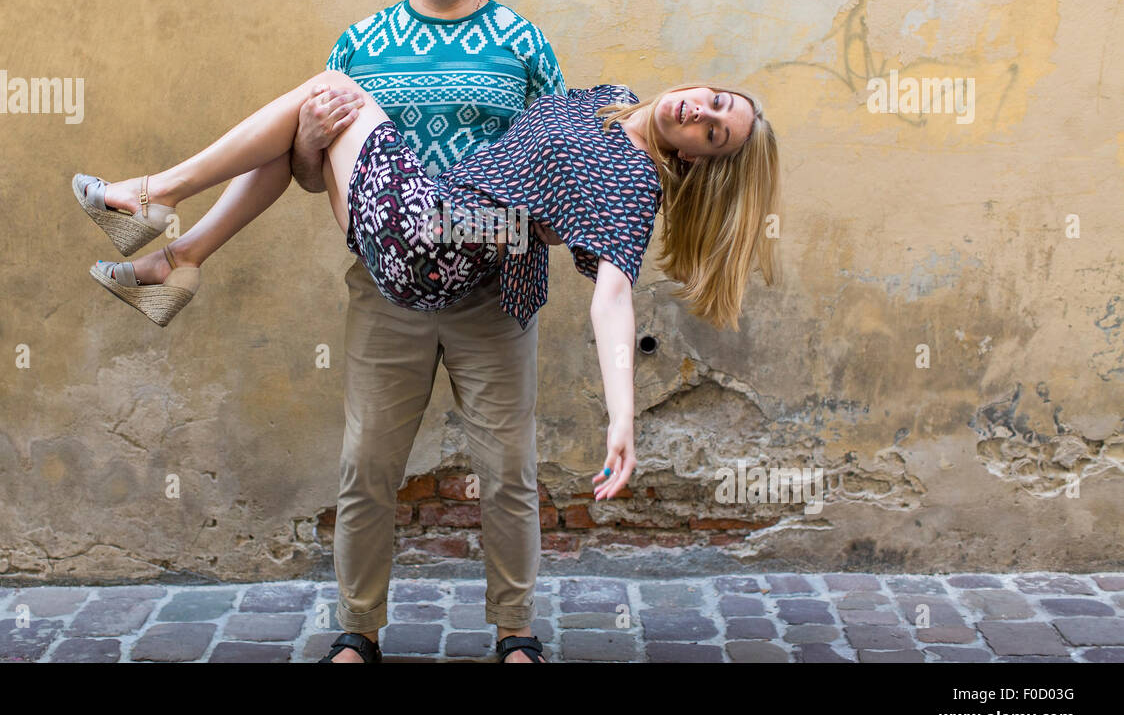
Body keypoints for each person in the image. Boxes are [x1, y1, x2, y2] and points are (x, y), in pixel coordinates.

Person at [72, 70, 780, 647]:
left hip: (431, 238)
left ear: (695, 158)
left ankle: (154, 197)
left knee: (326, 90)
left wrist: (622, 418)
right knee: (308, 119)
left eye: (712, 131)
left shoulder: (630, 182)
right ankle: (181, 258)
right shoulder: (607, 101)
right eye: (713, 99)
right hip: (425, 223)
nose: (698, 110)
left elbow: (615, 299)